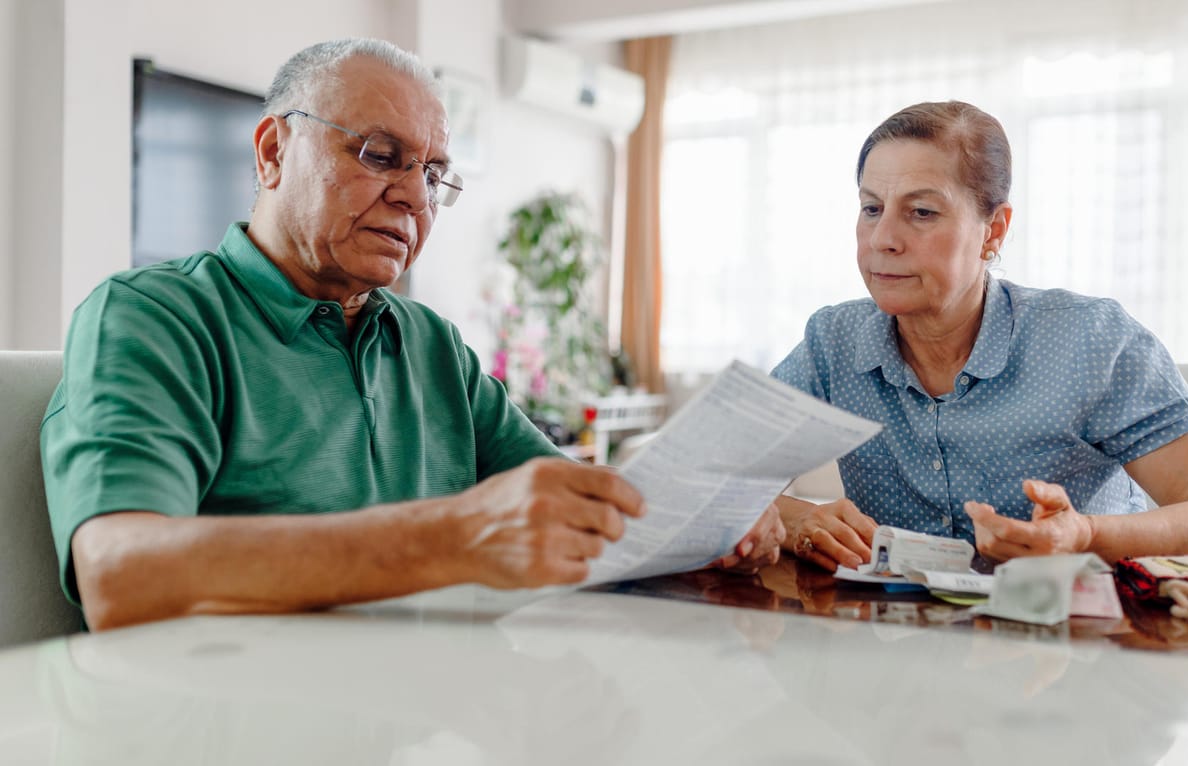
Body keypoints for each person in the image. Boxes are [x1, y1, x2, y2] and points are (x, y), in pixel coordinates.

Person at [41, 38, 782, 632]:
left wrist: (721, 515)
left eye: (434, 174)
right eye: (379, 155)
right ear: (272, 152)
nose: (412, 196)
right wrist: (454, 536)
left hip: (420, 712)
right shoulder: (156, 317)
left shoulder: (429, 342)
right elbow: (121, 576)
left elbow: (571, 508)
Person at [771, 101, 1188, 572]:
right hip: (896, 646)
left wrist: (1083, 534)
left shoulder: (1091, 341)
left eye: (921, 212)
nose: (883, 239)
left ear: (993, 230)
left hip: (1078, 644)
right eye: (871, 208)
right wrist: (794, 520)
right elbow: (704, 484)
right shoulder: (833, 341)